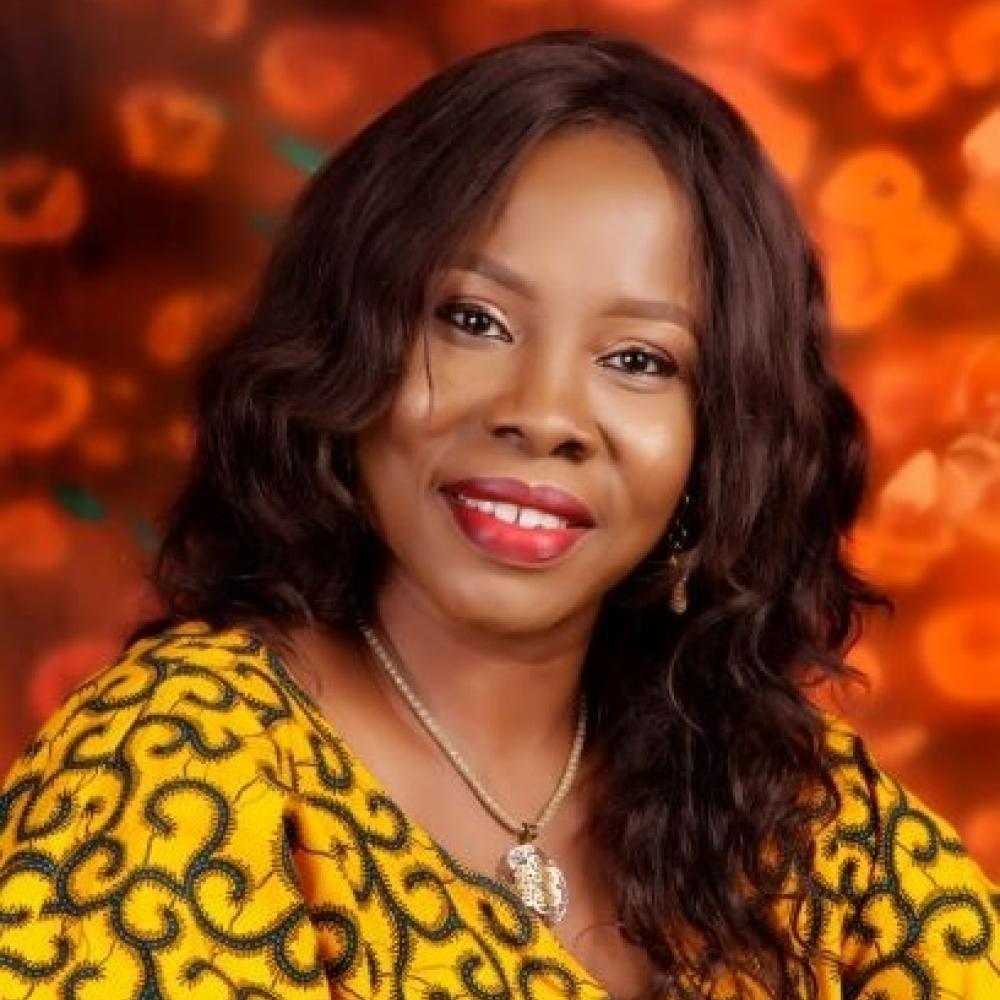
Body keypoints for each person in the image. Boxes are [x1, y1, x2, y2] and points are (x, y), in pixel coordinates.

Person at [0, 27, 996, 1000]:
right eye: (473, 320)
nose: (542, 414)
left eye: (638, 360)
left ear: (718, 438)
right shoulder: (176, 762)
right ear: (351, 350)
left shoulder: (784, 796)